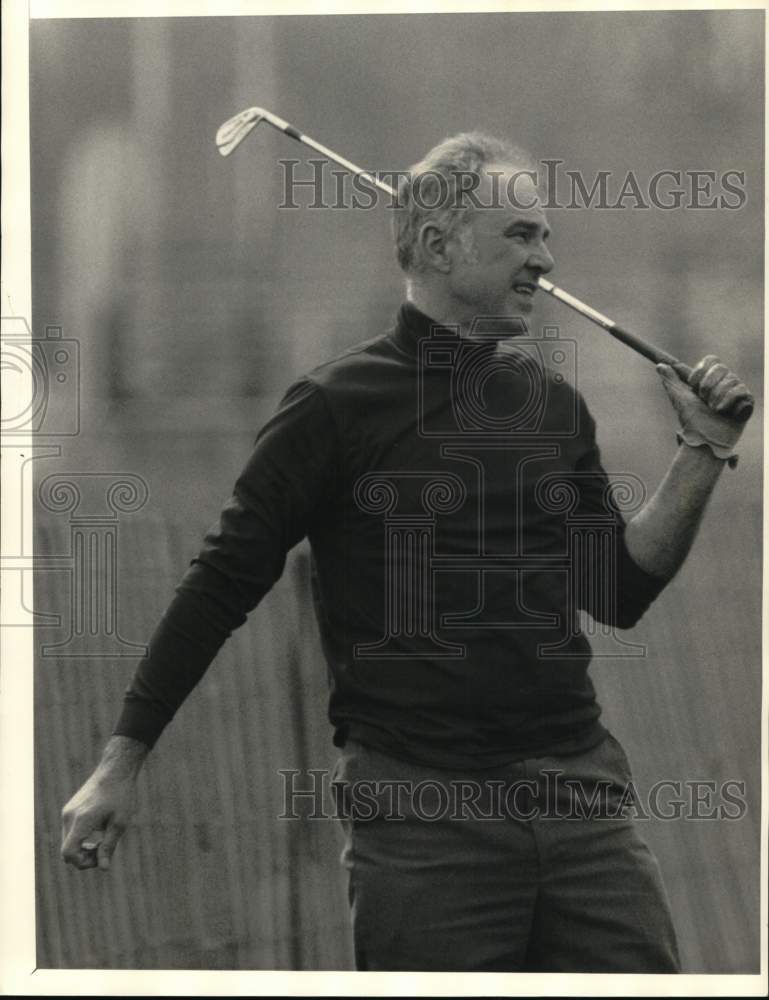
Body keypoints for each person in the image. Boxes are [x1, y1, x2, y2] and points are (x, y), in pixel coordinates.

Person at [61, 132, 753, 972]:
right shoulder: (331, 407)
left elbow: (617, 589)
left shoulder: (551, 408)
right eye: (520, 236)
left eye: (546, 237)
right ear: (436, 245)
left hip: (584, 805)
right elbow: (219, 585)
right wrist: (119, 763)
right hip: (424, 823)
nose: (544, 259)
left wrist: (701, 452)